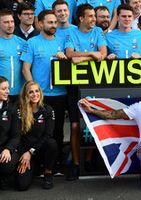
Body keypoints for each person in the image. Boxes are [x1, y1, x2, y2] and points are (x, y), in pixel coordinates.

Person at [21, 10, 68, 176]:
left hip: (60, 94)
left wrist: (66, 58)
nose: (53, 25)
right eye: (50, 22)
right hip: (40, 97)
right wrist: (32, 88)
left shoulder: (63, 42)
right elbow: (25, 68)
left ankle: (55, 166)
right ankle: (39, 166)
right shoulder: (32, 42)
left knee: (58, 131)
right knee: (37, 132)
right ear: (40, 24)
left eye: (55, 22)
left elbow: (73, 63)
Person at [64, 3, 107, 181]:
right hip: (75, 86)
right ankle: (75, 163)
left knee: (93, 122)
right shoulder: (71, 32)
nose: (94, 19)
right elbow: (69, 54)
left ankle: (89, 160)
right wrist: (91, 54)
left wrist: (82, 57)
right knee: (75, 125)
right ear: (81, 18)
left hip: (94, 85)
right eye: (90, 16)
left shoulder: (98, 32)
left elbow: (102, 54)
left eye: (94, 16)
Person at [15, 81, 58, 190]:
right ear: (26, 95)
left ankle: (48, 173)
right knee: (22, 185)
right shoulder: (18, 110)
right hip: (25, 152)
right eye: (31, 92)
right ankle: (34, 168)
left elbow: (48, 134)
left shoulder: (47, 110)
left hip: (39, 150)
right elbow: (16, 135)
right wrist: (24, 154)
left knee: (52, 143)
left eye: (37, 91)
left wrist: (31, 151)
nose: (35, 94)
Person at [0, 9, 27, 104]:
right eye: (6, 22)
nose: (10, 25)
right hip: (1, 93)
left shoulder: (23, 43)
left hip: (20, 93)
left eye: (12, 21)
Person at [0, 76, 20, 190]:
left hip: (5, 147)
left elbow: (16, 135)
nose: (7, 91)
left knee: (6, 164)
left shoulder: (11, 108)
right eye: (3, 89)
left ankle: (4, 177)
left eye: (8, 88)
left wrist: (8, 149)